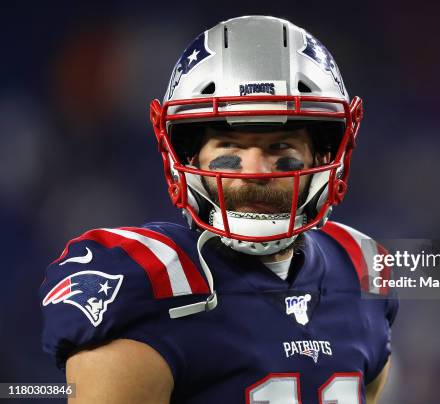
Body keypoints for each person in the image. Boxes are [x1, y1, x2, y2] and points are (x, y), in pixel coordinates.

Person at [40, 15, 398, 403]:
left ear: (326, 155)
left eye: (282, 149)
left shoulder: (360, 266)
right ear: (187, 154)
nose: (255, 173)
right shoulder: (145, 281)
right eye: (230, 149)